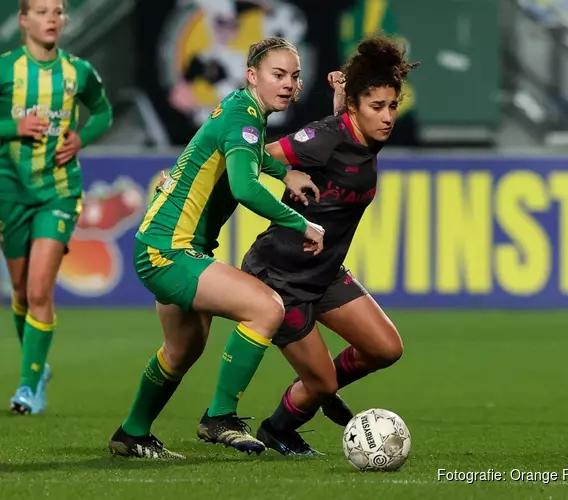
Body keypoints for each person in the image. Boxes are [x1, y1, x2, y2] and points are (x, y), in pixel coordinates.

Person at [108, 36, 325, 460]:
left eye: (294, 77)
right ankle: (220, 416)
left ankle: (132, 433)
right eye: (277, 75)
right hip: (169, 249)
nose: (288, 85)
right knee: (267, 308)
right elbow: (243, 186)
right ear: (252, 76)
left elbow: (244, 152)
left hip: (162, 243)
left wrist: (284, 172)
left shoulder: (242, 109)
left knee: (181, 350)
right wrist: (300, 222)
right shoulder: (244, 116)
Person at [232, 35, 418, 455]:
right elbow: (253, 152)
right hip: (281, 277)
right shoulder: (324, 135)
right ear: (355, 107)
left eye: (393, 106)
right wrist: (284, 175)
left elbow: (344, 142)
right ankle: (282, 424)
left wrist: (342, 98)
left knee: (385, 348)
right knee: (323, 382)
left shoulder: (367, 131)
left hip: (324, 271)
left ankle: (317, 383)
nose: (388, 117)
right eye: (377, 107)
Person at [0, 0, 113, 415]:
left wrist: (81, 137)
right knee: (19, 292)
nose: (52, 18)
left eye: (59, 11)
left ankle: (28, 386)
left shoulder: (77, 71)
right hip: (9, 192)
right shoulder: (5, 68)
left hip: (59, 192)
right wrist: (13, 126)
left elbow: (102, 111)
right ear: (23, 20)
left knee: (38, 289)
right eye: (43, 11)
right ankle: (38, 367)